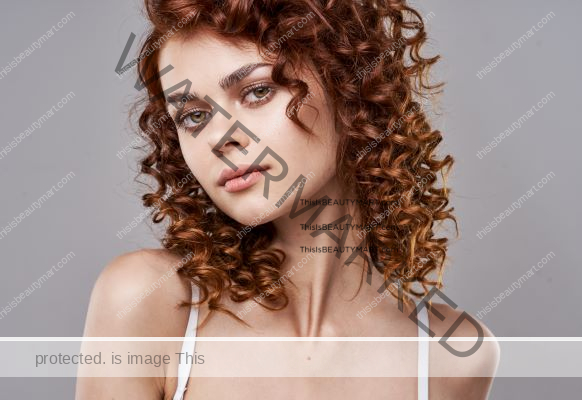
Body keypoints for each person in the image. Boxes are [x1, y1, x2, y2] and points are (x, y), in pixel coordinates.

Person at [77, 0, 499, 398]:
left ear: (347, 86)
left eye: (257, 92)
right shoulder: (150, 302)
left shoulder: (452, 356)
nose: (222, 137)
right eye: (194, 116)